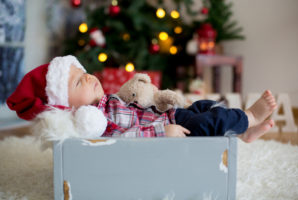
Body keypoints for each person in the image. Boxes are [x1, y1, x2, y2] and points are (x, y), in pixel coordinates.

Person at [7, 55, 277, 143]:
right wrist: (162, 131)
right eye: (79, 82)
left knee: (203, 107)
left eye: (84, 72)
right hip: (169, 127)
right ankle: (249, 117)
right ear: (66, 107)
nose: (89, 77)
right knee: (209, 121)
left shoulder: (104, 101)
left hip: (169, 115)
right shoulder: (95, 122)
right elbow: (127, 138)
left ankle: (241, 134)